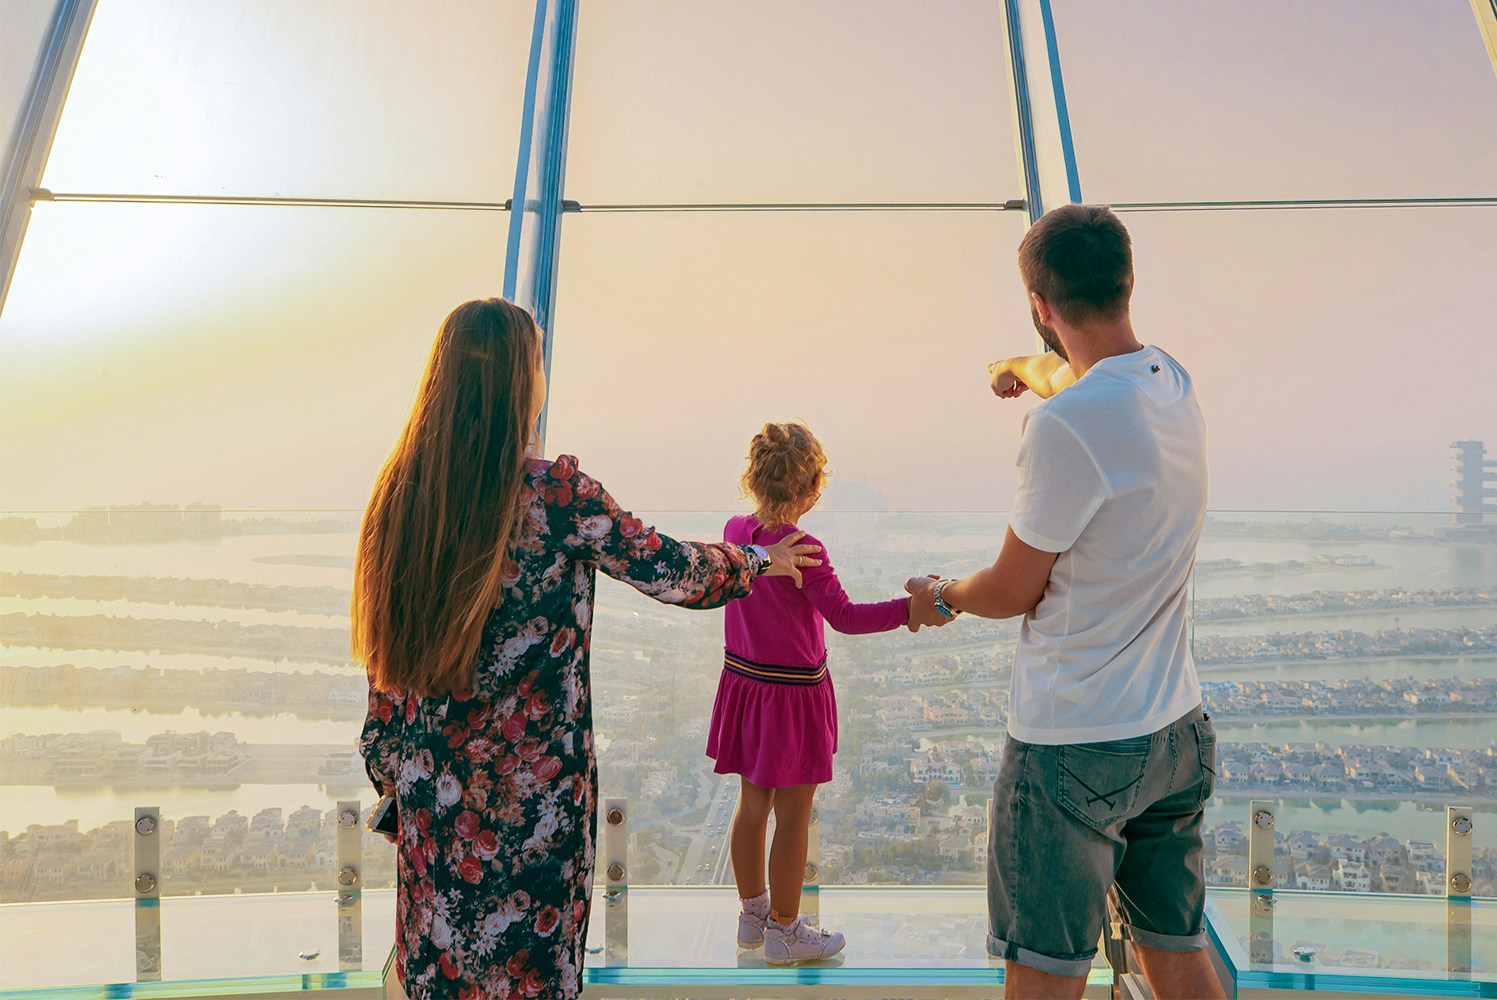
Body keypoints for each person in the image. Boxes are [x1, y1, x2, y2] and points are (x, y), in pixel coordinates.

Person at [354, 298, 821, 1000]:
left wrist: (398, 787)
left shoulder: (401, 497)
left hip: (437, 807)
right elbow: (670, 570)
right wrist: (755, 561)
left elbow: (384, 674)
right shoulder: (552, 495)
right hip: (538, 813)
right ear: (521, 380)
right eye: (538, 360)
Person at [906, 205, 1223, 1000]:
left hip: (1075, 746)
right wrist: (1029, 365)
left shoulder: (1064, 427)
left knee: (1045, 977)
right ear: (1126, 281)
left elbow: (1013, 589)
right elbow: (1092, 375)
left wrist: (940, 594)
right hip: (1174, 731)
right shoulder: (1173, 385)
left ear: (1041, 307)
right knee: (1177, 955)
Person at [708, 421, 945, 964]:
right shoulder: (805, 547)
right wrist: (910, 610)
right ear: (813, 487)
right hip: (792, 698)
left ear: (753, 476)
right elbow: (844, 617)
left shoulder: (736, 530)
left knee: (750, 808)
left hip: (746, 686)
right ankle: (786, 932)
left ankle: (753, 918)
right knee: (794, 815)